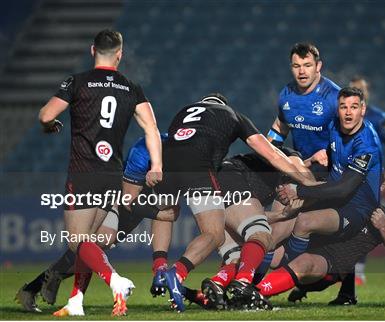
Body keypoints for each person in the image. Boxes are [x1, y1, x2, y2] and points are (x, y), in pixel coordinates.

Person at [35, 29, 163, 316]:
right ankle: (76, 300)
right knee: (90, 241)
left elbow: (45, 115)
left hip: (82, 173)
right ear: (120, 54)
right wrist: (156, 165)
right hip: (111, 175)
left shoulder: (77, 82)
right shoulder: (131, 87)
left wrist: (48, 126)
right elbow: (151, 128)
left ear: (93, 50)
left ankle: (116, 281)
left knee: (78, 241)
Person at [154, 93, 316, 312]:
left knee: (230, 251)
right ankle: (241, 283)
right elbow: (278, 157)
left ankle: (202, 279)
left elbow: (241, 213)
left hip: (169, 166)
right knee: (259, 234)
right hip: (219, 175)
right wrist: (310, 184)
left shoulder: (182, 113)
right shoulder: (233, 116)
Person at [271, 87, 382, 289]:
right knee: (282, 227)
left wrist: (299, 191)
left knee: (304, 222)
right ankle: (253, 279)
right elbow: (336, 160)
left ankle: (288, 274)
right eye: (343, 107)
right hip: (336, 198)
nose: (348, 112)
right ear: (337, 109)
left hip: (358, 209)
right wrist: (315, 158)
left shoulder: (367, 145)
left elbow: (343, 189)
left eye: (354, 107)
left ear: (363, 109)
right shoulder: (333, 126)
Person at [316, 74, 385, 305]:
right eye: (345, 104)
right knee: (344, 231)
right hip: (346, 177)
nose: (349, 110)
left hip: (366, 176)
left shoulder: (378, 119)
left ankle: (348, 278)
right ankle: (341, 284)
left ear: (365, 98)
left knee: (362, 224)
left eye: (359, 91)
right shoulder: (339, 119)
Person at [254, 207, 385, 303]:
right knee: (265, 248)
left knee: (305, 263)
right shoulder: (341, 197)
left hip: (328, 267)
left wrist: (384, 227)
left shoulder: (381, 214)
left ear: (381, 186)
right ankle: (243, 284)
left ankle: (256, 294)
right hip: (303, 250)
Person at [267, 42, 341, 169]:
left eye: (307, 65)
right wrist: (266, 153)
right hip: (303, 166)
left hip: (331, 166)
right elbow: (280, 127)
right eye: (297, 66)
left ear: (318, 66)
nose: (302, 71)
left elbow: (355, 135)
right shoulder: (286, 94)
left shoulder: (335, 97)